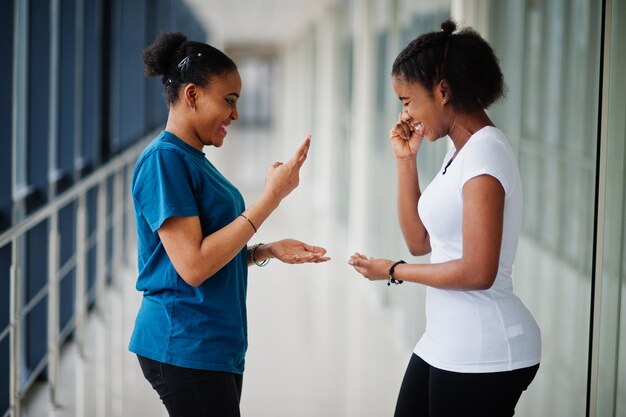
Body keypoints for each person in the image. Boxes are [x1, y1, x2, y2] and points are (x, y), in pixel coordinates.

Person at [130, 32, 330, 417]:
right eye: (229, 101)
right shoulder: (164, 162)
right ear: (192, 95)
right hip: (184, 344)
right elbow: (193, 265)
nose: (235, 115)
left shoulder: (191, 158)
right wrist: (271, 197)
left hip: (210, 345)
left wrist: (263, 251)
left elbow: (206, 249)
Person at [348, 20, 541, 417]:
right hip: (445, 339)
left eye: (407, 100)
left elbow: (477, 271)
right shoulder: (460, 152)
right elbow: (420, 241)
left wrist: (394, 271)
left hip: (484, 350)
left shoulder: (485, 155)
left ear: (443, 90)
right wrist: (406, 161)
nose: (405, 114)